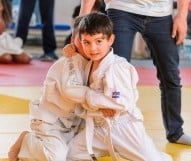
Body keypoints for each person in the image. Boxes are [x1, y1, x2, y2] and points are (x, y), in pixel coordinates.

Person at [79, 0, 191, 145]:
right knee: (113, 74)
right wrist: (81, 21)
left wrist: (181, 16)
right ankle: (109, 131)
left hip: (161, 13)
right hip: (121, 8)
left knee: (171, 76)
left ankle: (175, 132)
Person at [63, 12, 172, 161]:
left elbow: (120, 103)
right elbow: (70, 89)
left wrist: (91, 99)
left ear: (111, 40)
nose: (93, 48)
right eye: (86, 42)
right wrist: (72, 55)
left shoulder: (118, 67)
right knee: (67, 154)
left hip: (125, 128)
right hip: (99, 128)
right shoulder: (88, 63)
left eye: (99, 41)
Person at [8, 15, 88, 161]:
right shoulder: (67, 63)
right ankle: (28, 141)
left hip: (75, 124)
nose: (89, 47)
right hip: (51, 123)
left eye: (96, 42)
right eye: (83, 41)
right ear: (73, 41)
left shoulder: (95, 63)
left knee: (84, 155)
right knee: (56, 158)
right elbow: (76, 93)